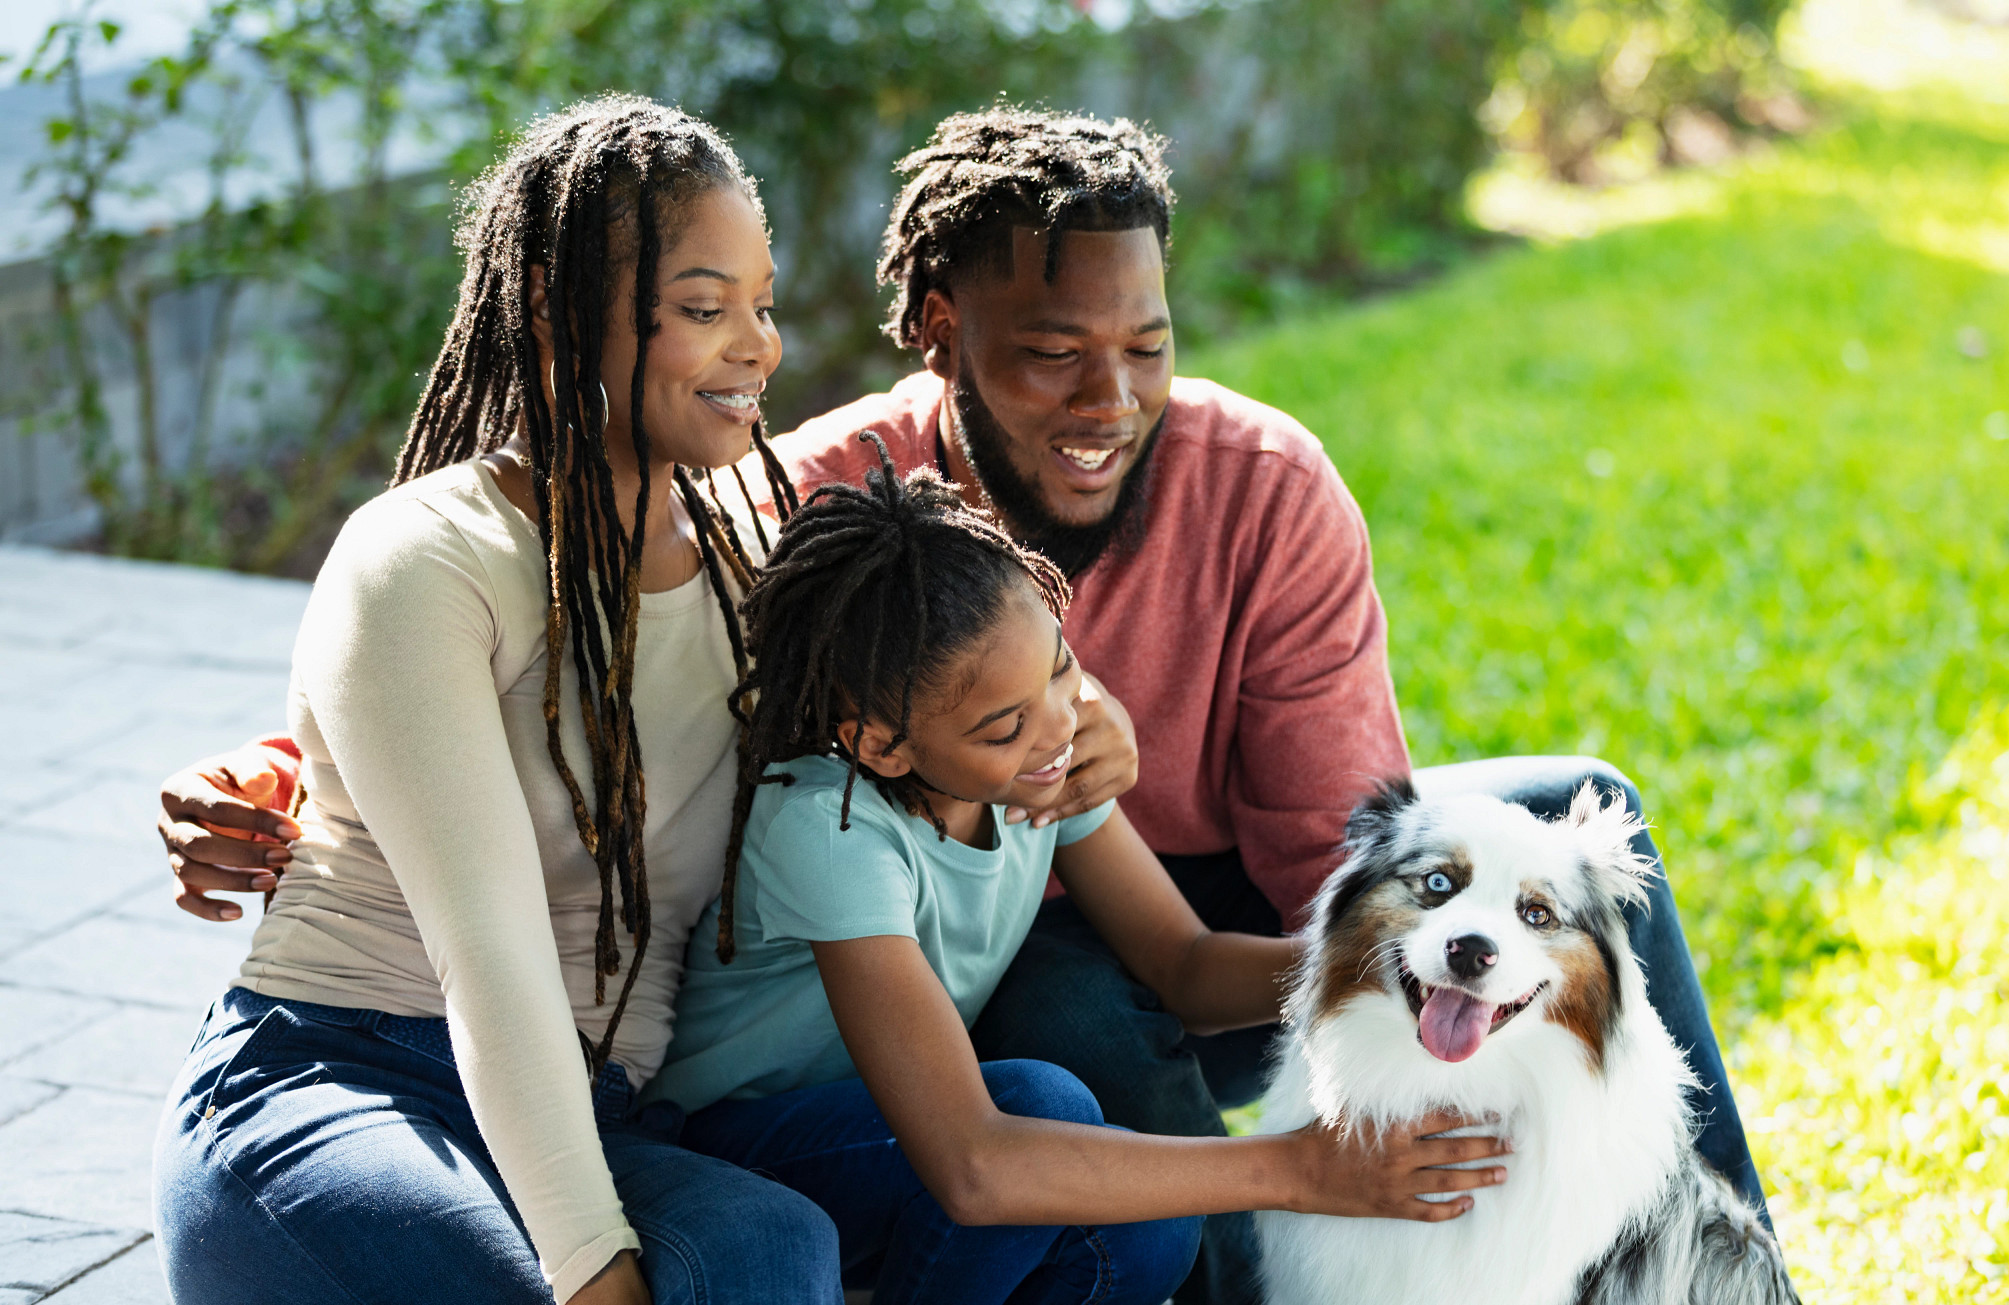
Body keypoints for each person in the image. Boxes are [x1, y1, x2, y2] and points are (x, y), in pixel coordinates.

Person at [157, 105, 1768, 1305]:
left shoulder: (787, 531)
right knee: (1008, 1082)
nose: (1108, 396)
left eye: (760, 307)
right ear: (941, 337)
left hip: (956, 945)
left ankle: (1719, 1256)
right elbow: (484, 834)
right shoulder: (777, 510)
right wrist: (286, 765)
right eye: (705, 308)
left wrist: (1479, 969)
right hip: (407, 1053)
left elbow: (1318, 875)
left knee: (1575, 836)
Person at [150, 97, 840, 1305]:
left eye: (761, 304)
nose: (757, 347)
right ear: (553, 306)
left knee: (777, 1244)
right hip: (344, 1074)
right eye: (701, 308)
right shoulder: (428, 556)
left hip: (595, 1103)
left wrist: (1073, 721)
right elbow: (492, 955)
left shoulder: (751, 558)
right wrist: (595, 1274)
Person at [632, 440, 1508, 1305]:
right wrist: (1302, 1169)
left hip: (903, 1131)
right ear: (882, 744)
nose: (1058, 727)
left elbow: (1184, 967)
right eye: (1004, 725)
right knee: (1039, 1107)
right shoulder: (830, 823)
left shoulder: (1039, 771)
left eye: (1062, 668)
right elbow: (975, 1166)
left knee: (1148, 1226)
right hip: (732, 1148)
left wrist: (1383, 966)